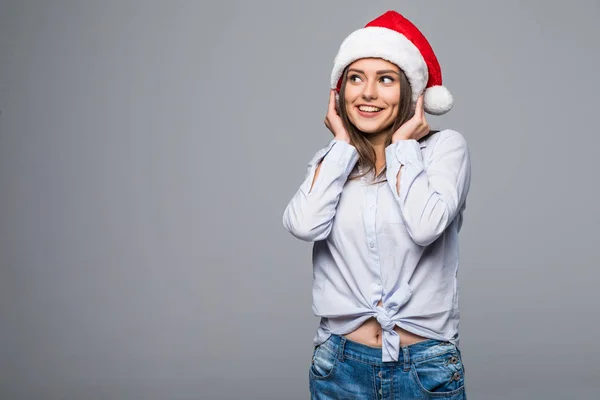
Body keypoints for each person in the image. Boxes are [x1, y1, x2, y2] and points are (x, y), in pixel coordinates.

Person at [282, 10, 471, 400]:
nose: (367, 93)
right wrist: (341, 147)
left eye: (385, 79)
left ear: (411, 94)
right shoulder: (331, 161)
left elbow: (426, 225)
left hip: (426, 365)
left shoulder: (443, 149)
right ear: (340, 92)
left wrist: (402, 146)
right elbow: (303, 225)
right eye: (356, 78)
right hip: (339, 365)